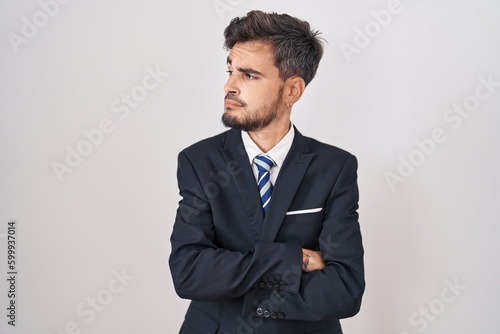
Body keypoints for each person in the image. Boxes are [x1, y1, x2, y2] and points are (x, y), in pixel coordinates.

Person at [169, 10, 364, 334]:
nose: (229, 86)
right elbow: (189, 272)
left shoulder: (335, 167)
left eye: (249, 75)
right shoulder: (198, 162)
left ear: (292, 90)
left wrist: (239, 285)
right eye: (230, 70)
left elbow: (345, 289)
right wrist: (294, 260)